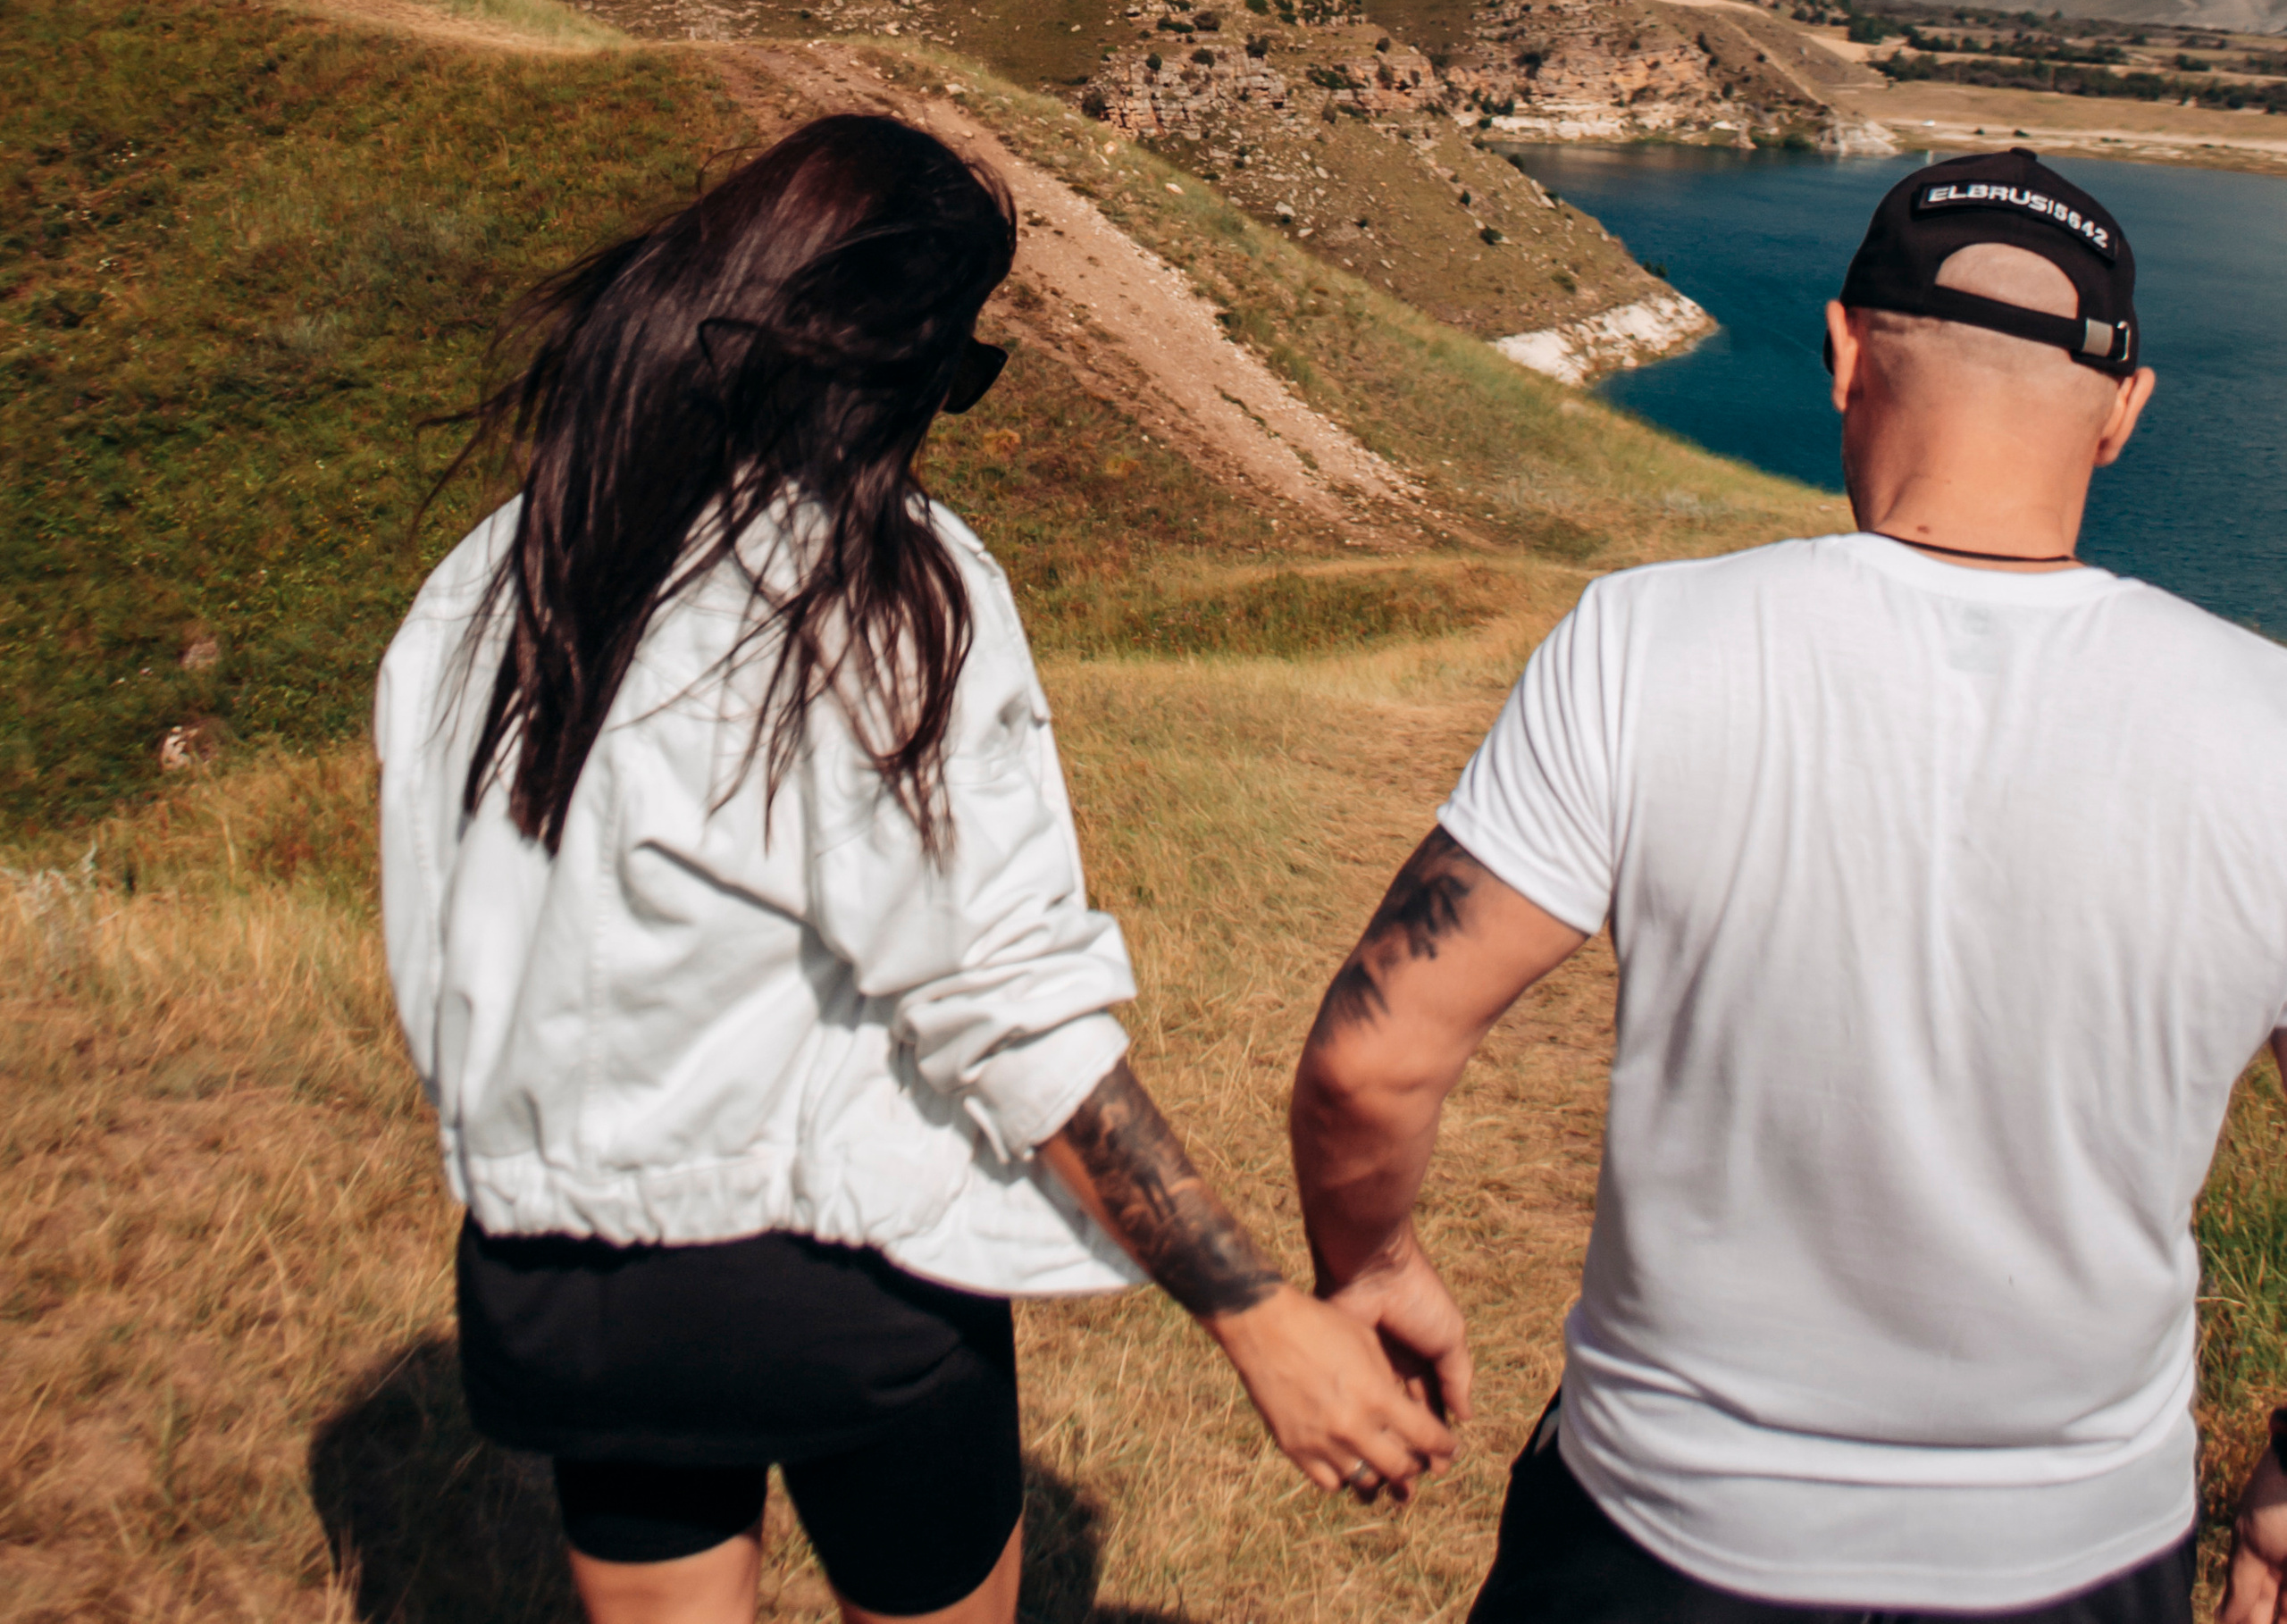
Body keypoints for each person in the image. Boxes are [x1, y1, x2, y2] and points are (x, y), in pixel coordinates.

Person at [378, 113, 1446, 1624]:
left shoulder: (494, 576)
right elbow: (1007, 1007)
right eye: (957, 373)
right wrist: (1257, 1313)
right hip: (833, 1283)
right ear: (883, 370)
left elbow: (450, 948)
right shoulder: (879, 588)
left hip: (557, 1283)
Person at [1288, 145, 2287, 1624]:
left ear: (1839, 353)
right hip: (2081, 1550)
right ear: (2126, 415)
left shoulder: (1642, 644)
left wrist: (1368, 1267)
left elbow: (1371, 1065)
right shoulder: (2266, 722)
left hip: (1663, 1528)